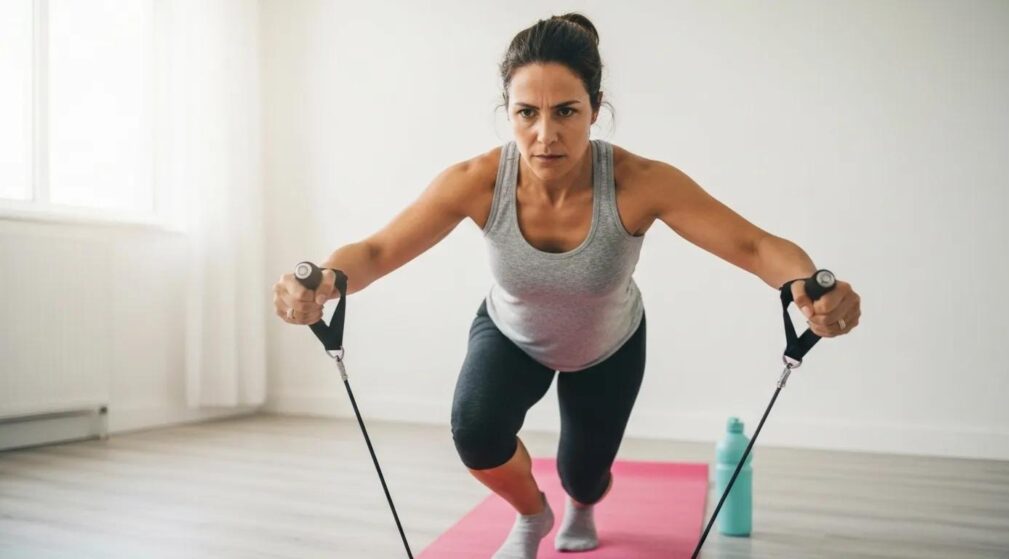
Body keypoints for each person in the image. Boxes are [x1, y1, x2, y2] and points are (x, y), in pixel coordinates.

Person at [272, 12, 862, 559]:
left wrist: (806, 285)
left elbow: (756, 245)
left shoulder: (637, 182)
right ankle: (532, 515)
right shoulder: (477, 181)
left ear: (595, 107)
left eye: (566, 112)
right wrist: (326, 279)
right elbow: (375, 250)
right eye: (527, 112)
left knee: (586, 473)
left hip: (607, 345)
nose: (545, 134)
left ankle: (579, 500)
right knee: (475, 432)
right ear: (508, 110)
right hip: (511, 333)